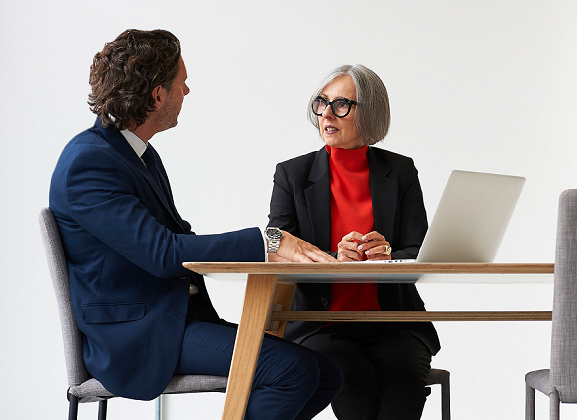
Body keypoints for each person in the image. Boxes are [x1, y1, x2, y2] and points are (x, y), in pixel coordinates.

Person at [49, 29, 341, 420]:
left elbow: (176, 240)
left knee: (326, 374)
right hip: (136, 338)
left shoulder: (137, 154)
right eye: (181, 83)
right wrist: (267, 242)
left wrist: (272, 244)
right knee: (294, 370)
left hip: (172, 320)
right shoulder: (90, 163)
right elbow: (163, 253)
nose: (187, 91)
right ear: (157, 94)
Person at [268, 64, 441, 420]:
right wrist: (334, 257)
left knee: (402, 382)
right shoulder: (292, 174)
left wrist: (390, 255)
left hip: (395, 323)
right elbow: (275, 246)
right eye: (322, 103)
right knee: (352, 381)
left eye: (342, 104)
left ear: (370, 113)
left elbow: (419, 250)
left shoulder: (401, 171)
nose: (326, 114)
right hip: (321, 324)